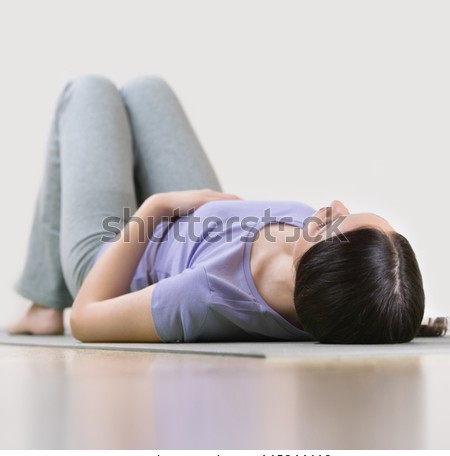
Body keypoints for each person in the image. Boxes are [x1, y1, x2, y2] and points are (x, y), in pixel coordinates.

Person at [8, 74, 447, 343]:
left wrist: (159, 205)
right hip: (195, 225)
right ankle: (43, 303)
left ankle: (46, 300)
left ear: (314, 266)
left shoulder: (206, 293)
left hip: (119, 257)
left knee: (86, 90)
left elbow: (86, 317)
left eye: (331, 224)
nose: (333, 206)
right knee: (147, 88)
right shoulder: (331, 287)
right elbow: (376, 303)